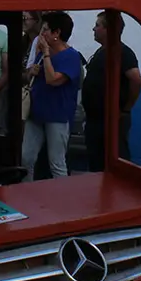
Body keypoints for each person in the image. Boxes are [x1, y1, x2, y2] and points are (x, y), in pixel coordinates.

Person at [22, 11, 82, 180]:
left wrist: (47, 53)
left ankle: (63, 200)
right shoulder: (41, 53)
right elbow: (32, 76)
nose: (42, 34)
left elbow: (53, 80)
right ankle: (27, 193)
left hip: (57, 115)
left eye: (46, 30)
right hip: (37, 113)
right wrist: (31, 71)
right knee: (26, 157)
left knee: (56, 162)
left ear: (57, 33)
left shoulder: (71, 56)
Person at [82, 11, 141, 170]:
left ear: (109, 29)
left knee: (115, 160)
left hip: (112, 119)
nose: (93, 29)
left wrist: (126, 108)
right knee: (96, 162)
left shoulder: (123, 52)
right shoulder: (101, 51)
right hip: (95, 119)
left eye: (97, 26)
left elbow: (136, 79)